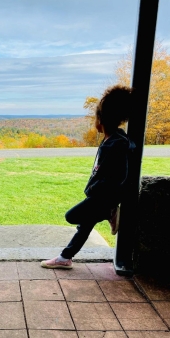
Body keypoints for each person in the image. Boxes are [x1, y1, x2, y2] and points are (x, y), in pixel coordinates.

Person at [41, 84, 136, 269]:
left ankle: (109, 212)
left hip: (101, 196)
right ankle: (65, 258)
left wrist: (96, 190)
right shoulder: (114, 139)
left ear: (101, 119)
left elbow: (119, 176)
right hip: (101, 195)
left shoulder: (116, 144)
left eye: (96, 117)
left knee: (72, 216)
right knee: (85, 224)